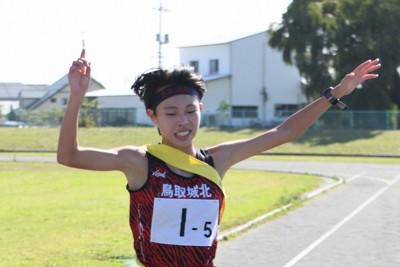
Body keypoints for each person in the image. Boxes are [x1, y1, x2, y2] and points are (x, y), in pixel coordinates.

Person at [57, 49, 380, 267]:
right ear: (153, 116)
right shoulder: (139, 162)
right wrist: (76, 97)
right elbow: (69, 156)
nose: (182, 121)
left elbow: (283, 133)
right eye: (171, 113)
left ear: (201, 111)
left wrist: (334, 94)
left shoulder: (217, 160)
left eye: (189, 111)